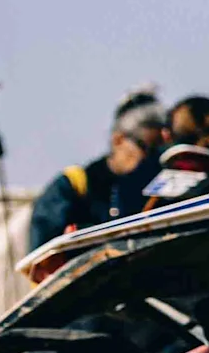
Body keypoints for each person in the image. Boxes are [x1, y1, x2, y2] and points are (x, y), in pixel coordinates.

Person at [27, 92, 170, 245]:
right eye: (147, 148)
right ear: (118, 140)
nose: (153, 158)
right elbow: (43, 257)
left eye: (159, 150)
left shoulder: (160, 188)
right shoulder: (73, 186)